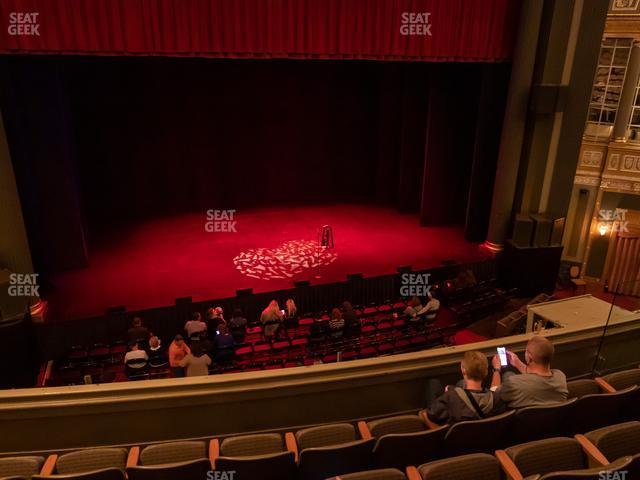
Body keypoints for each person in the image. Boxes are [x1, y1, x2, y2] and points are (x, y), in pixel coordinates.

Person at [425, 351, 505, 425]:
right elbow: (494, 389)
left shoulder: (452, 397)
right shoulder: (496, 398)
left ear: (463, 370)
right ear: (486, 371)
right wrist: (497, 370)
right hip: (486, 438)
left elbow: (429, 415)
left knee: (432, 384)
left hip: (456, 439)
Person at [492, 336, 568, 409]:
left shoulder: (513, 383)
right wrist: (518, 363)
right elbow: (537, 377)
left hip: (520, 422)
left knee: (508, 375)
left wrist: (496, 370)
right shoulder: (560, 377)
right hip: (554, 421)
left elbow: (493, 397)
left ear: (529, 356)